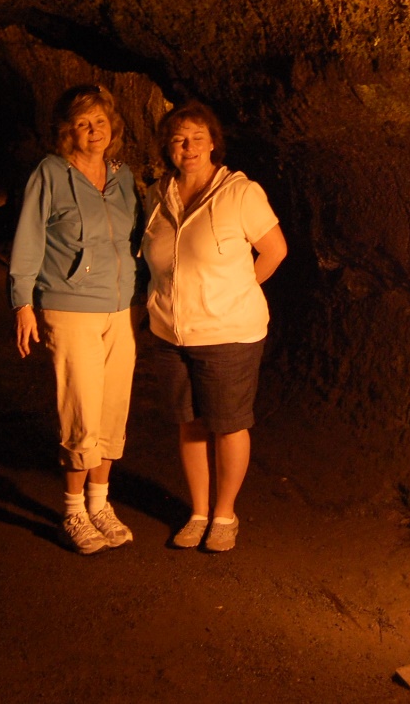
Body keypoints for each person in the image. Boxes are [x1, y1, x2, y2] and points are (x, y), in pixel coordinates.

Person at [141, 101, 287, 552]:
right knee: (189, 424)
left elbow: (275, 251)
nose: (188, 147)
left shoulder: (240, 194)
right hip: (171, 333)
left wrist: (237, 292)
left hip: (229, 334)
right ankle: (198, 511)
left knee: (228, 424)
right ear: (168, 146)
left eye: (197, 138)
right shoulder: (155, 196)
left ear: (213, 144)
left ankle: (225, 514)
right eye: (179, 138)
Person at [8, 84, 141, 554]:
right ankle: (72, 511)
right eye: (84, 123)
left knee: (111, 413)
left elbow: (137, 240)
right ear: (69, 131)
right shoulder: (50, 173)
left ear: (113, 127)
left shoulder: (123, 177)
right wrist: (23, 302)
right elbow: (27, 239)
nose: (94, 131)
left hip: (119, 309)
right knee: (80, 411)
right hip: (69, 306)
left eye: (101, 121)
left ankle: (100, 504)